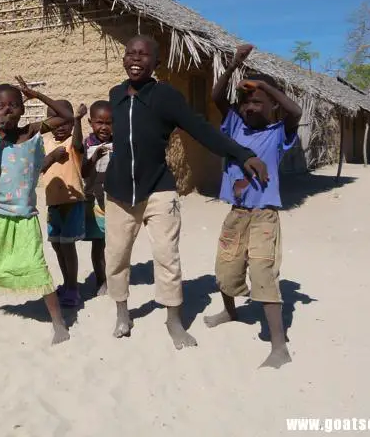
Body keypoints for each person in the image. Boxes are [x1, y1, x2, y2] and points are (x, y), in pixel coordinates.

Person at [104, 35, 268, 349]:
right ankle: (122, 312)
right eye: (130, 52)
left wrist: (243, 154)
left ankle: (173, 321)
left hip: (159, 189)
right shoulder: (115, 95)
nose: (135, 59)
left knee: (167, 257)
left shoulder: (165, 95)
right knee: (117, 256)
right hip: (119, 191)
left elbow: (201, 129)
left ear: (157, 63)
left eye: (144, 54)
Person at [204, 43, 302, 369]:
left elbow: (296, 112)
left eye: (259, 102)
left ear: (273, 105)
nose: (250, 106)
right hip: (237, 212)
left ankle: (278, 346)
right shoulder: (233, 125)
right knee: (226, 267)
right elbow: (218, 97)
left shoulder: (278, 133)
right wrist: (233, 66)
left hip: (264, 215)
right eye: (246, 101)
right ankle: (230, 311)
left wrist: (263, 85)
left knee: (262, 271)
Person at [0, 76, 73, 345]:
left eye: (13, 104)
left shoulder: (33, 132)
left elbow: (65, 116)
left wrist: (38, 96)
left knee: (37, 266)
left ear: (22, 108)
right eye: (0, 106)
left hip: (25, 216)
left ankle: (59, 323)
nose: (7, 110)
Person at [41, 100, 87, 307]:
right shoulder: (46, 144)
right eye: (55, 122)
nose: (60, 127)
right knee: (58, 246)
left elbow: (77, 142)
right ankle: (67, 284)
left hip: (72, 201)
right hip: (53, 203)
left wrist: (77, 121)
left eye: (65, 122)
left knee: (68, 247)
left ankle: (73, 289)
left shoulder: (72, 143)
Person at [80, 100, 113, 296]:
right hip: (94, 202)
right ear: (91, 122)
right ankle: (101, 279)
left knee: (115, 244)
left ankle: (114, 278)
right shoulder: (87, 144)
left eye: (108, 123)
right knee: (98, 243)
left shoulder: (118, 142)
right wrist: (94, 157)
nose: (104, 127)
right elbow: (84, 171)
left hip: (114, 200)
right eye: (99, 122)